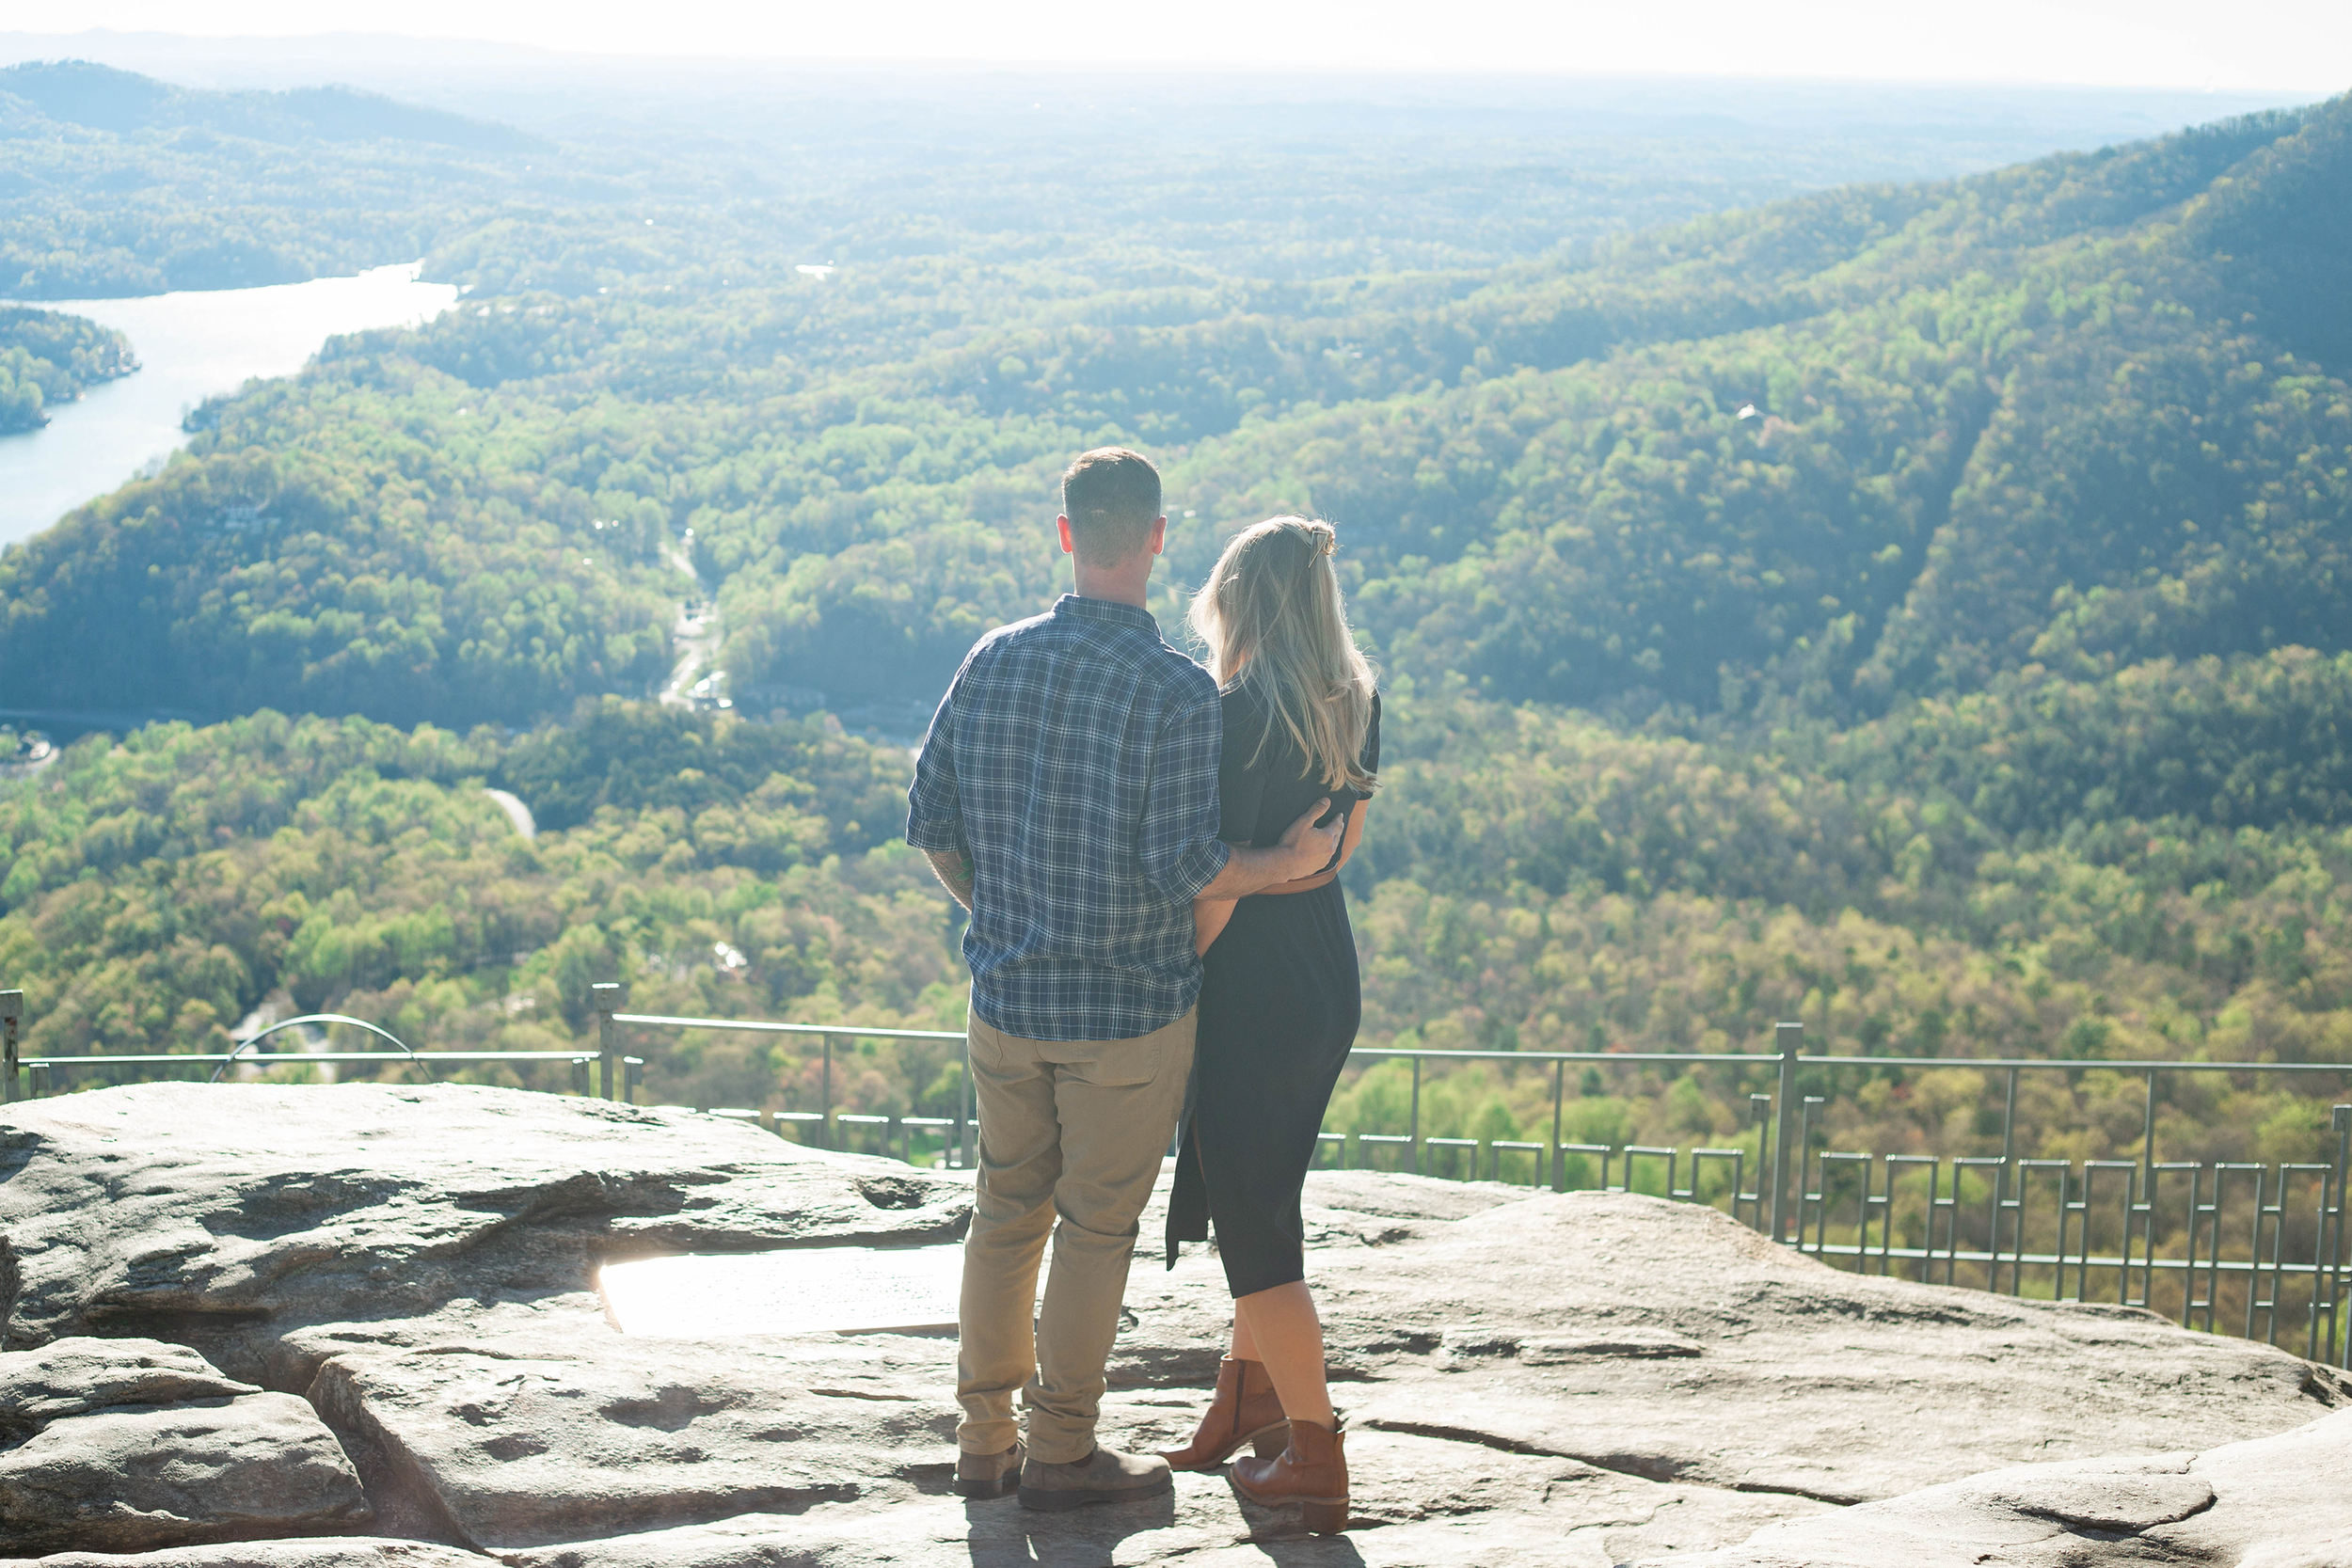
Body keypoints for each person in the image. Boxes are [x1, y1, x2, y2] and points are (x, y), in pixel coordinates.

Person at [906, 449, 1344, 1513]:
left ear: (1064, 534)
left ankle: (982, 1439)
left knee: (1005, 1210)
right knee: (1096, 1226)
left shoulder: (992, 658)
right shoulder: (1177, 689)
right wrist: (1285, 866)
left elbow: (931, 825)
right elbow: (1185, 864)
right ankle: (1062, 1448)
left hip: (1006, 997)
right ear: (1154, 538)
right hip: (1130, 1012)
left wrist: (999, 916)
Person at [1158, 515, 1380, 1537]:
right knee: (1263, 1188)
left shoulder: (1236, 711)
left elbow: (1216, 883)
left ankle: (1315, 1452)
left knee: (1254, 1214)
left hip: (1248, 986)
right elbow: (1332, 856)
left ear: (1238, 596)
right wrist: (1289, 865)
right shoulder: (1354, 701)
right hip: (1325, 973)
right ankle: (1242, 1400)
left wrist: (1169, 975)